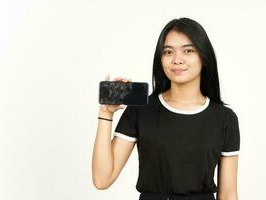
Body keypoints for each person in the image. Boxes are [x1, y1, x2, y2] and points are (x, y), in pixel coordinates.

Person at [92, 17, 240, 200]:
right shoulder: (141, 110)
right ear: (160, 59)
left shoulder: (224, 118)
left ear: (204, 57)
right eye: (168, 52)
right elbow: (102, 179)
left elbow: (228, 194)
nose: (177, 60)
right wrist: (105, 113)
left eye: (188, 50)